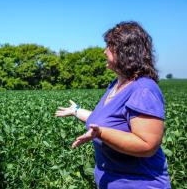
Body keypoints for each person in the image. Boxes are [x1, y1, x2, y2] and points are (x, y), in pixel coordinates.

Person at [55, 21, 171, 188]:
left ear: (125, 52)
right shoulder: (116, 85)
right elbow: (105, 121)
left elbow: (147, 145)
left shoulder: (143, 89)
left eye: (109, 46)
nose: (104, 51)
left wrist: (101, 133)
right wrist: (76, 111)